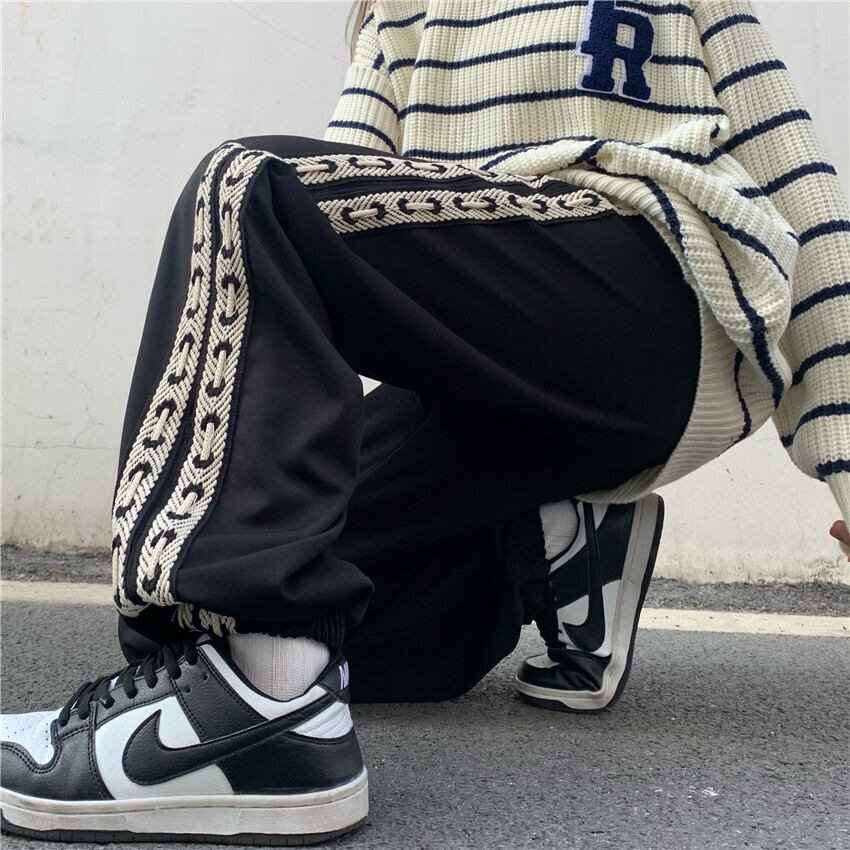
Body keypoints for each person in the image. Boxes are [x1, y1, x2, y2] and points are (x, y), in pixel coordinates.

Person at [2, 0, 849, 843]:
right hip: (497, 370)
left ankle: (257, 717)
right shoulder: (402, 10)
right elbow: (342, 205)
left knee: (246, 188)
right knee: (244, 605)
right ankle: (553, 547)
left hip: (655, 302)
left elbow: (805, 198)